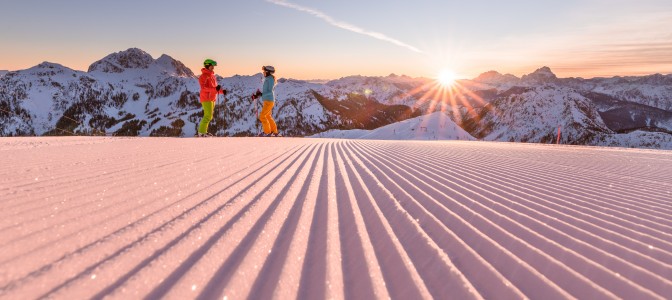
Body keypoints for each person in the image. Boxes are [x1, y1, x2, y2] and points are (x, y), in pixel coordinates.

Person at [197, 59, 226, 137]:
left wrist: (222, 91)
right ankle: (201, 132)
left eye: (213, 66)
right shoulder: (203, 76)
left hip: (212, 98)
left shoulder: (212, 76)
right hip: (206, 98)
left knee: (209, 116)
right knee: (208, 116)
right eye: (212, 66)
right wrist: (215, 89)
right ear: (207, 65)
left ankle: (204, 132)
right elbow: (203, 88)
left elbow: (214, 88)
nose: (213, 67)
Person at [253, 65, 281, 137]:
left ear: (268, 72)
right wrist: (259, 94)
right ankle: (274, 131)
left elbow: (270, 91)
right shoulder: (268, 78)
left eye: (264, 71)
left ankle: (267, 132)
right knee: (268, 116)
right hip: (267, 100)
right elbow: (267, 91)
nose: (263, 73)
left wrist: (261, 94)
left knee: (262, 116)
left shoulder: (270, 79)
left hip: (269, 100)